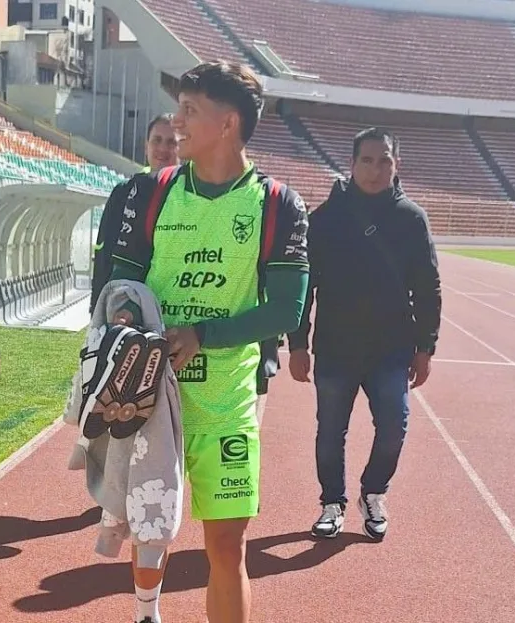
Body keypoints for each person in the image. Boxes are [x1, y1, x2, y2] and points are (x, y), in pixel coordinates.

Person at [106, 60, 310, 623]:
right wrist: (126, 327)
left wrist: (203, 334)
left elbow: (286, 308)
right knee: (151, 537)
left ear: (228, 123)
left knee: (226, 548)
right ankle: (148, 612)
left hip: (225, 406)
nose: (177, 123)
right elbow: (119, 284)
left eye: (190, 111)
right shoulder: (150, 192)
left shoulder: (276, 204)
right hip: (153, 401)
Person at [286, 127, 441, 543]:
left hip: (391, 349)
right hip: (336, 347)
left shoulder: (412, 220)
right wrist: (297, 344)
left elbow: (428, 288)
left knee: (394, 425)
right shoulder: (325, 219)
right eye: (367, 160)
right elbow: (304, 286)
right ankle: (331, 502)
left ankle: (373, 493)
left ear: (397, 165)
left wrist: (426, 346)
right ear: (352, 164)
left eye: (384, 160)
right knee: (330, 430)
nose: (375, 170)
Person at [89, 114, 180, 313]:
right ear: (146, 145)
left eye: (172, 142)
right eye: (157, 140)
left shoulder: (189, 198)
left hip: (171, 308)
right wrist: (97, 308)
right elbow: (104, 252)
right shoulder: (124, 191)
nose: (163, 148)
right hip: (124, 305)